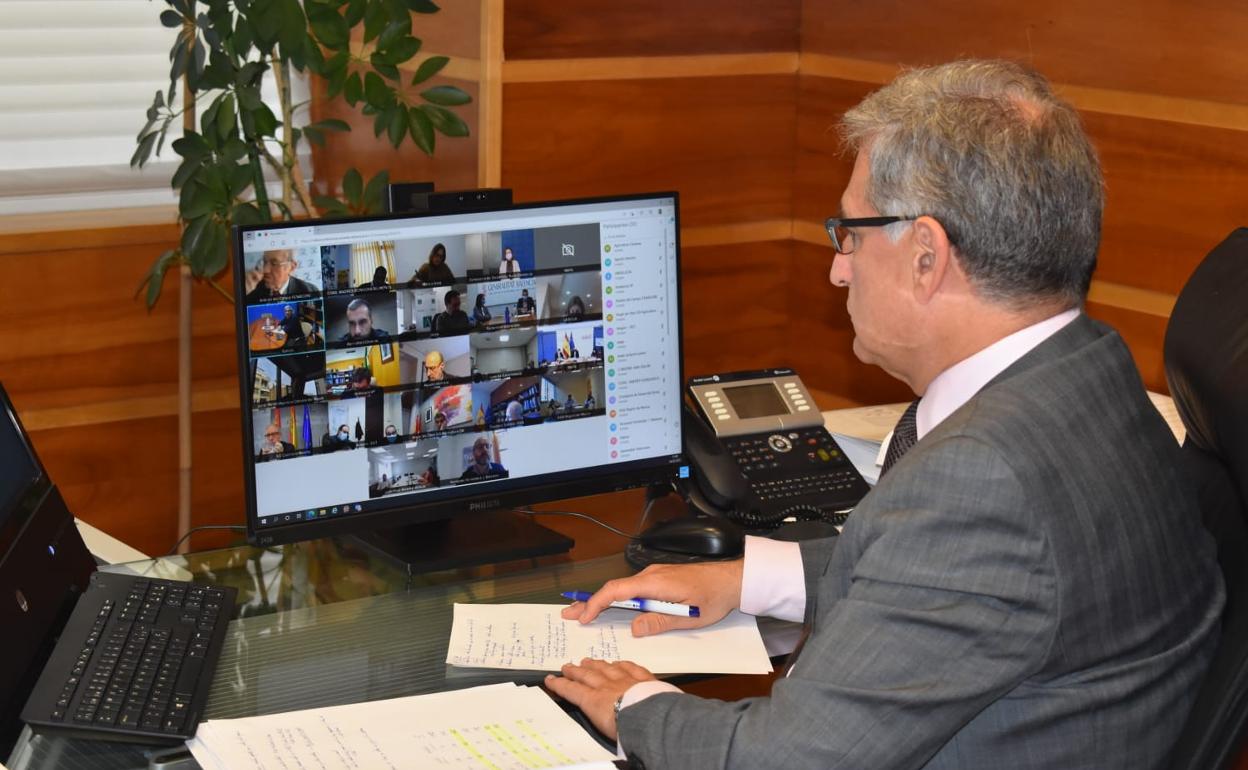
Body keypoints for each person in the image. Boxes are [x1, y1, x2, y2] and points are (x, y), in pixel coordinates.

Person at [545, 60, 1224, 769]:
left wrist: (634, 706)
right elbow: (961, 580)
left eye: (852, 234)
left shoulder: (981, 480)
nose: (839, 269)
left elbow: (789, 763)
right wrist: (752, 577)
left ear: (927, 256)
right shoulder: (1092, 372)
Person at [244, 248, 317, 302]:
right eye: (265, 262)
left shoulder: (310, 291)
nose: (265, 270)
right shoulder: (254, 289)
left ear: (291, 267)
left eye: (274, 263)